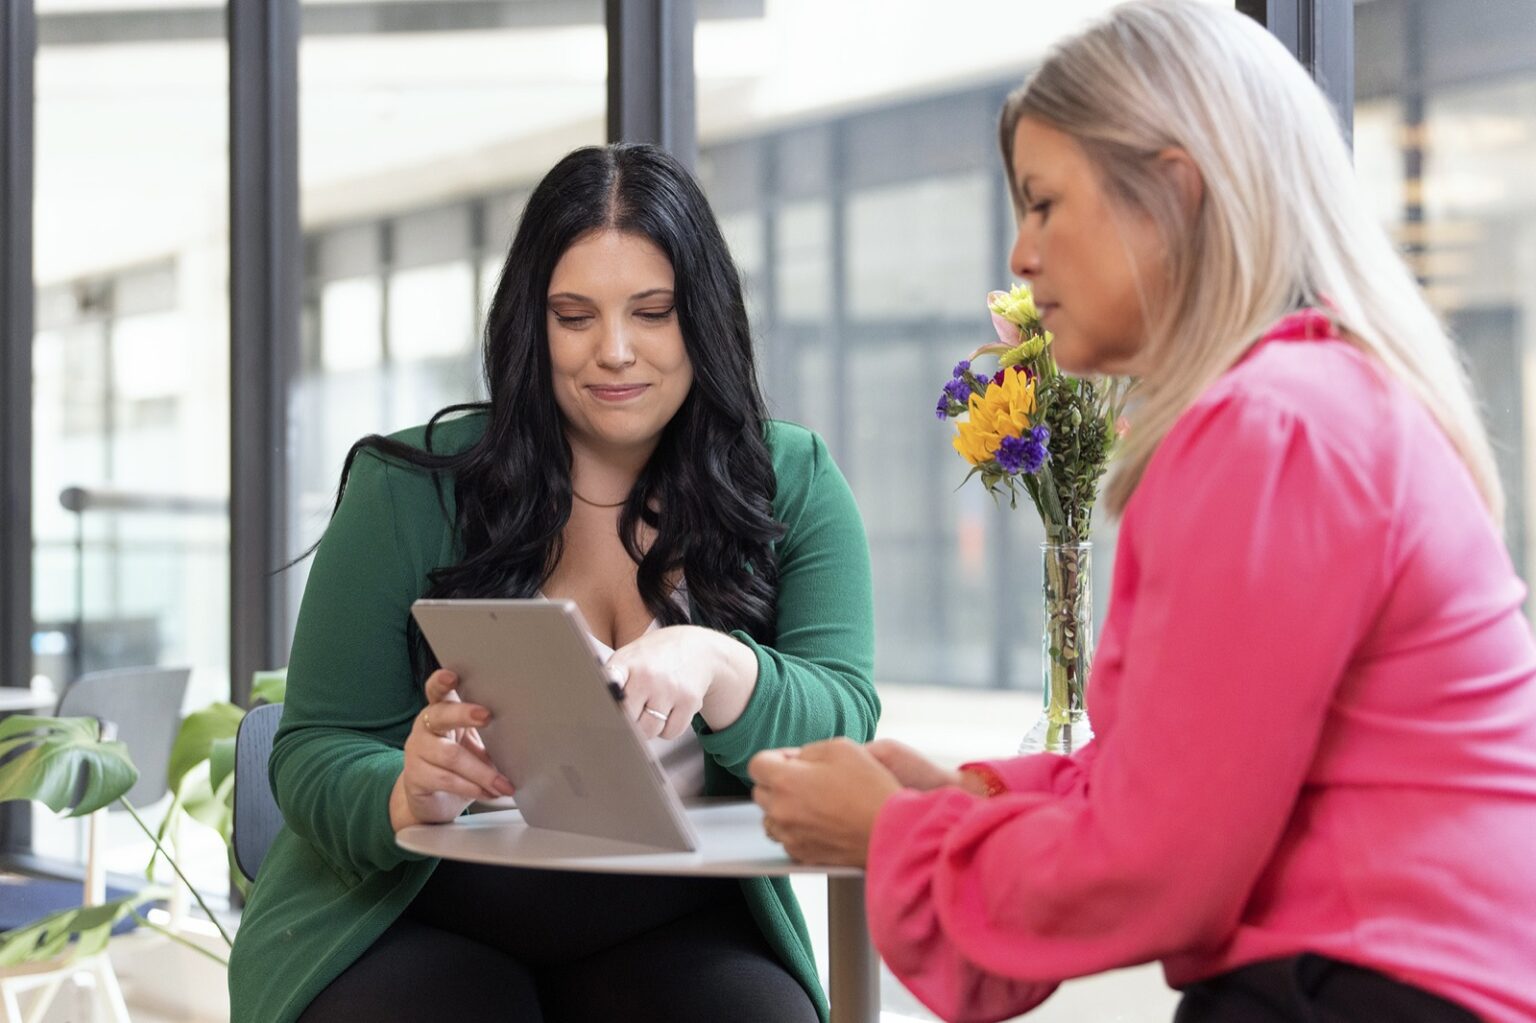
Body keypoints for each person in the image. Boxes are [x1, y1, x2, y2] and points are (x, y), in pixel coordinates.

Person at [747, 3, 1536, 1022]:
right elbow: (1186, 779)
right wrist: (964, 800)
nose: (1021, 256)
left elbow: (1156, 864)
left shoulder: (1269, 430)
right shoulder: (1323, 401)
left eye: (1044, 205)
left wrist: (890, 833)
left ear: (1171, 192)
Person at [227, 142, 877, 1023]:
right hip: (415, 913)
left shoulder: (791, 480)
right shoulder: (408, 489)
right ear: (530, 326)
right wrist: (403, 786)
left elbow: (846, 719)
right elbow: (310, 749)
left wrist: (724, 665)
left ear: (706, 317)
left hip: (676, 920)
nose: (615, 352)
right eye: (574, 317)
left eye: (652, 312)